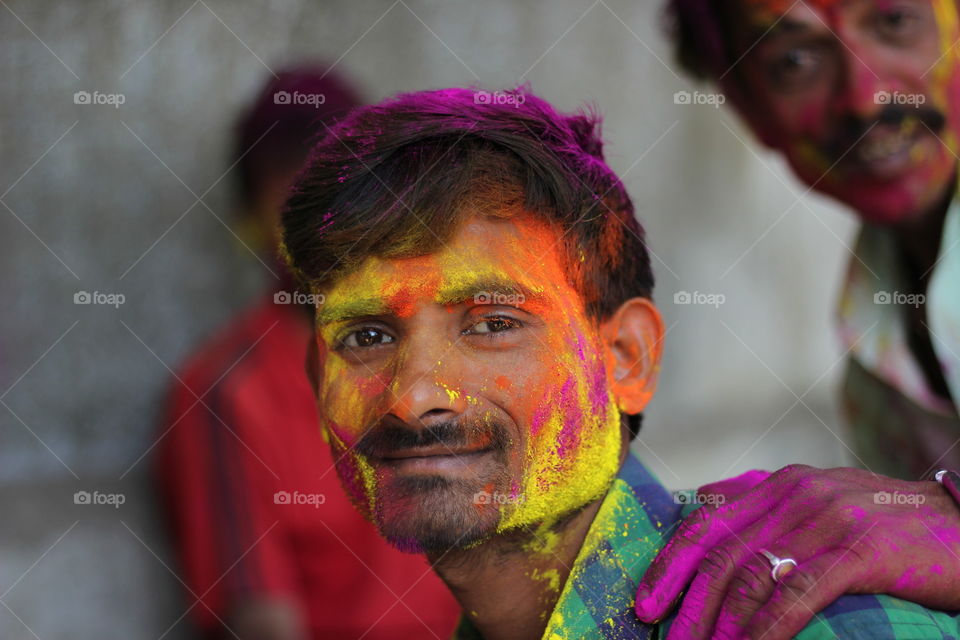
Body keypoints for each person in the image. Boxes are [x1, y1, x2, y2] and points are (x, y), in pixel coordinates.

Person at [279, 85, 960, 639]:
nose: (413, 396)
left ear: (625, 358)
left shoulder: (808, 624)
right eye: (365, 337)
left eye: (492, 324)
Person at [629, 2, 960, 637]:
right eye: (794, 61)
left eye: (894, 22)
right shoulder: (875, 349)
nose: (865, 98)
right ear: (749, 111)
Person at [154, 67, 460, 640]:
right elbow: (262, 621)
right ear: (253, 215)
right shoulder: (227, 393)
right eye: (289, 188)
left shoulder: (445, 361)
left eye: (349, 184)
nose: (322, 217)